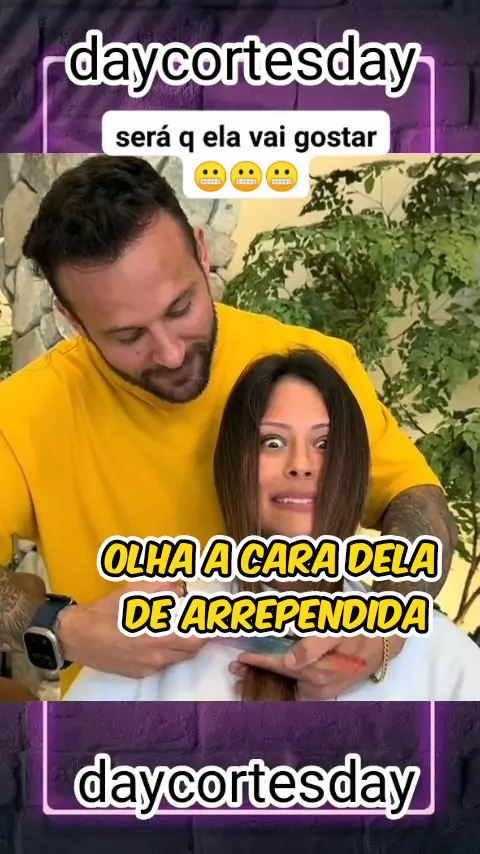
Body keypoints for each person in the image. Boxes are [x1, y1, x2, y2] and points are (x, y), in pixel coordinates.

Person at [0, 155, 458, 701]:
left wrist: (382, 626)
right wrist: (65, 629)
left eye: (180, 308)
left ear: (201, 251)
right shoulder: (23, 416)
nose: (170, 353)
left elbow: (417, 502)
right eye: (129, 336)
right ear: (72, 319)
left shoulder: (309, 369)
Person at [64, 349, 480, 701]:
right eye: (273, 442)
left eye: (324, 444)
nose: (301, 465)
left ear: (353, 467)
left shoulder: (437, 657)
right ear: (235, 466)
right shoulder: (150, 640)